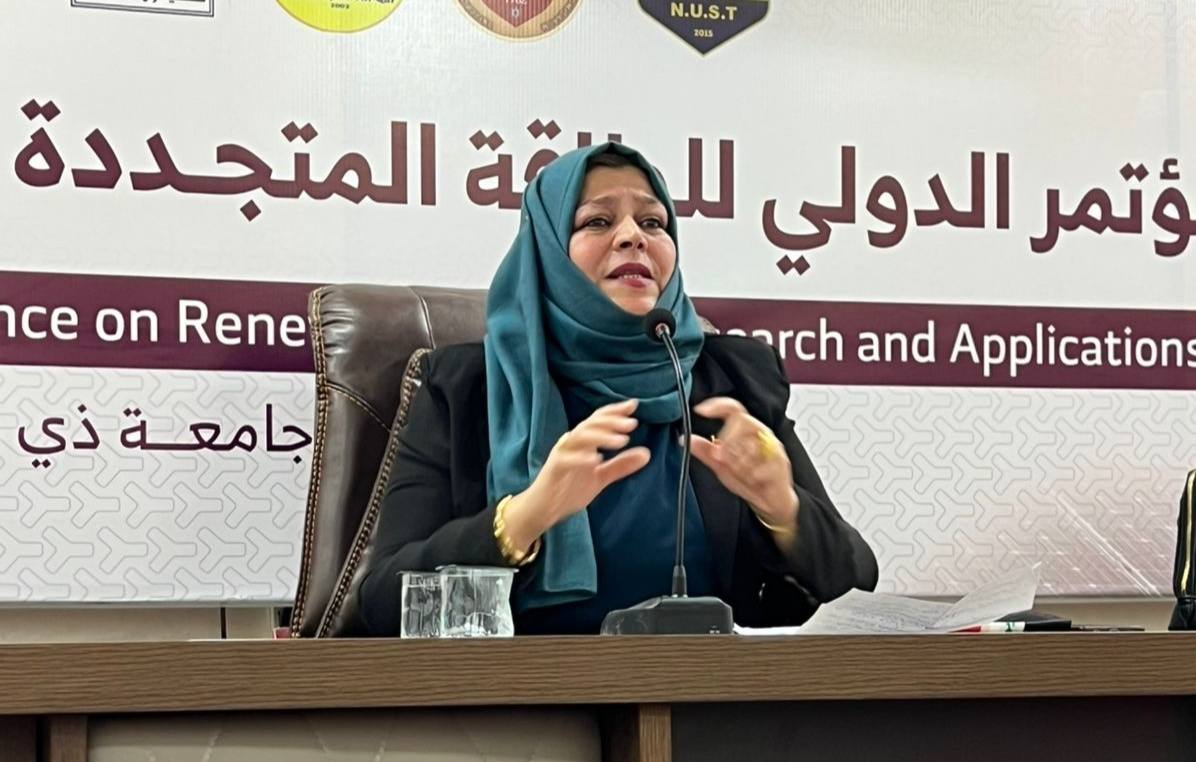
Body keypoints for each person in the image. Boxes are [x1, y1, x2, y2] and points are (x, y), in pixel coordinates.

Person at [356, 143, 877, 635]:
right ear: (548, 251)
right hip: (526, 691)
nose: (633, 237)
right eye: (597, 221)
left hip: (710, 688)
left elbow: (856, 585)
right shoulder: (465, 390)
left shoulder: (735, 382)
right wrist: (525, 517)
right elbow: (382, 603)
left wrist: (782, 509)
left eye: (653, 222)